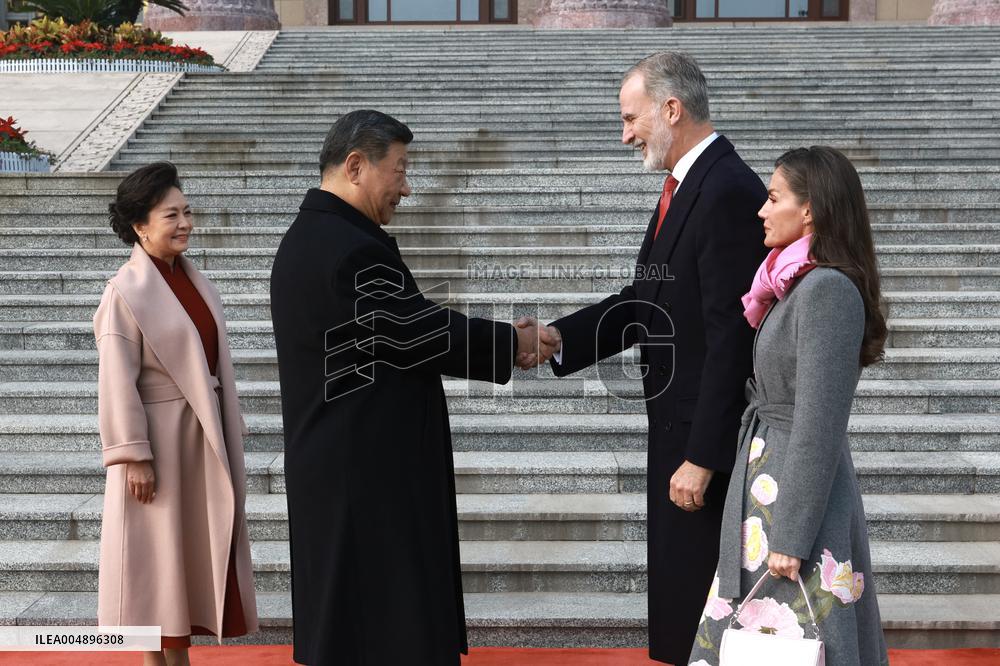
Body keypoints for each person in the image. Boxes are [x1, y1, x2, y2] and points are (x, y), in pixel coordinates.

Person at [269, 109, 557, 666]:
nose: (406, 186)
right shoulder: (346, 247)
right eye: (398, 170)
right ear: (355, 166)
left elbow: (403, 326)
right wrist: (510, 342)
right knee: (382, 629)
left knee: (364, 624)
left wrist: (502, 336)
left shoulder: (322, 236)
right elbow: (411, 333)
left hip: (353, 466)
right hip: (366, 476)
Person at [518, 52, 767, 665]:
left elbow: (730, 336)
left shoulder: (727, 190)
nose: (625, 134)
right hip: (676, 433)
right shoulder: (687, 186)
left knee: (704, 610)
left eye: (631, 119)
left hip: (698, 449)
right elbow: (645, 301)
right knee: (684, 606)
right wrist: (559, 337)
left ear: (671, 110)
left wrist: (704, 457)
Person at [687, 146, 889, 666]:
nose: (761, 209)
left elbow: (820, 423)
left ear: (811, 210)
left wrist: (793, 535)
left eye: (773, 197)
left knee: (805, 642)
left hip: (795, 503)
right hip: (766, 487)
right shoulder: (791, 284)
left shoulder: (826, 291)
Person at [95, 162, 258, 666]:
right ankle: (154, 661)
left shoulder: (190, 278)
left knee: (181, 556)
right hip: (159, 446)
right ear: (141, 225)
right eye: (172, 214)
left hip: (199, 441)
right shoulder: (125, 291)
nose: (186, 222)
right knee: (154, 560)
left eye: (188, 211)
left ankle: (179, 658)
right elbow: (115, 382)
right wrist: (133, 455)